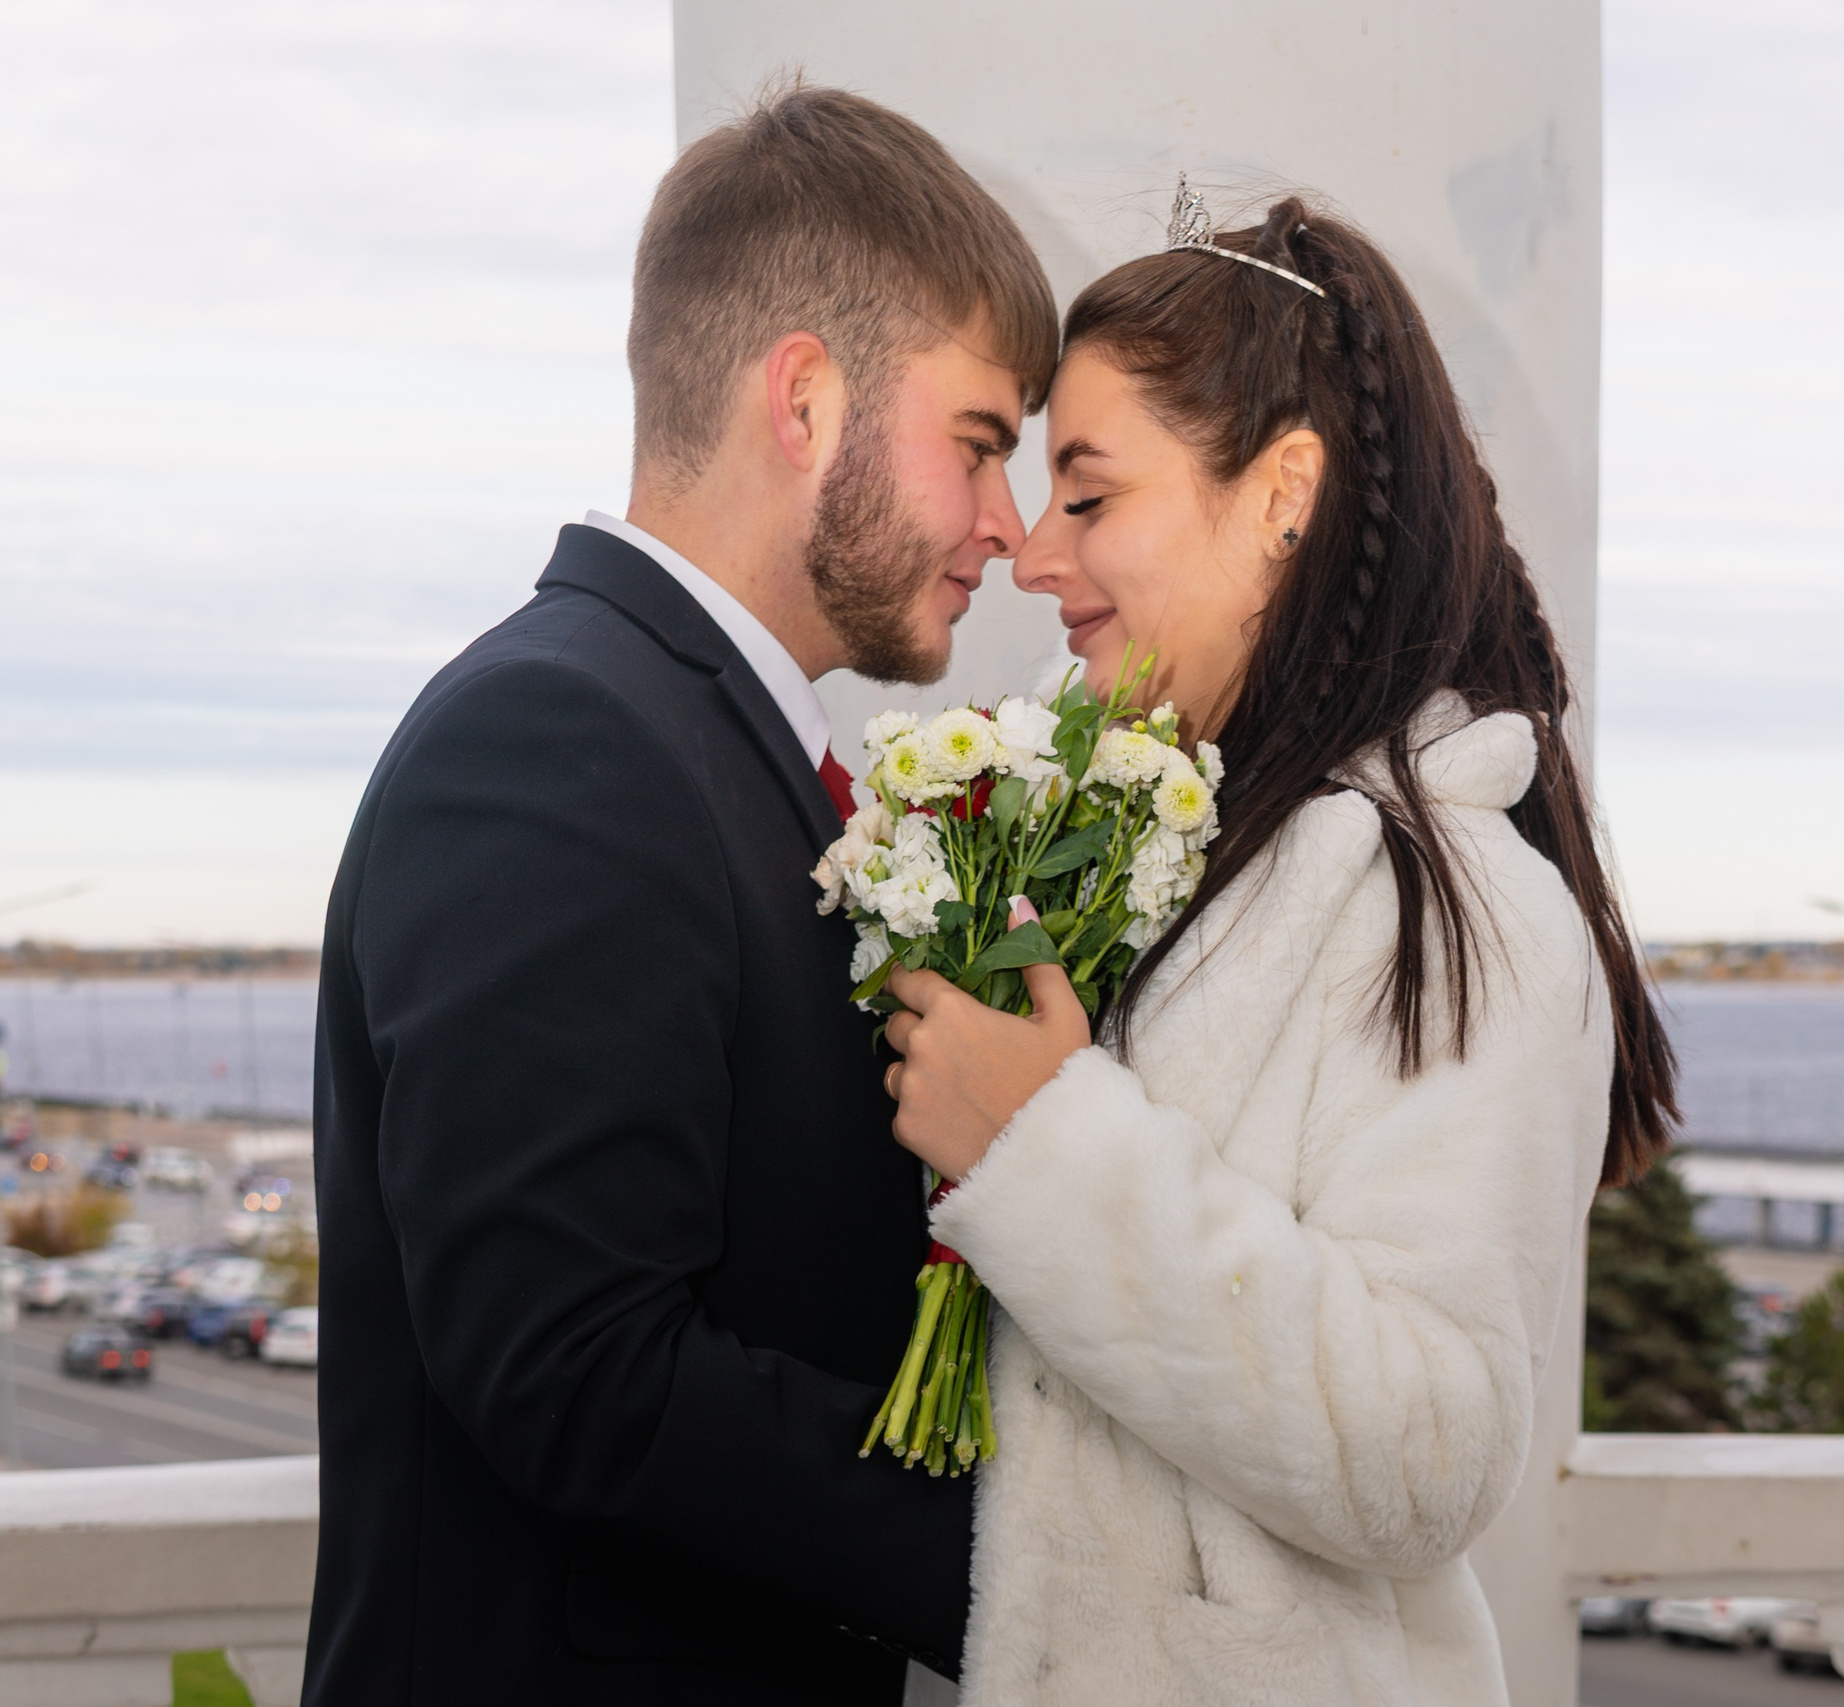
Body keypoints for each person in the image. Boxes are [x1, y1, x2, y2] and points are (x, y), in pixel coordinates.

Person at [876, 191, 1680, 1705]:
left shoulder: (1472, 916)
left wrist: (1043, 1149)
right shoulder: (1188, 849)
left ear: (1282, 495)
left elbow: (1433, 1450)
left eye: (1091, 496)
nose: (1036, 555)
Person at [304, 87, 1053, 1705]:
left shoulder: (697, 736)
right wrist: (1038, 1555)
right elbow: (575, 1369)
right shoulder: (557, 735)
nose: (1007, 524)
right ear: (806, 398)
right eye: (983, 443)